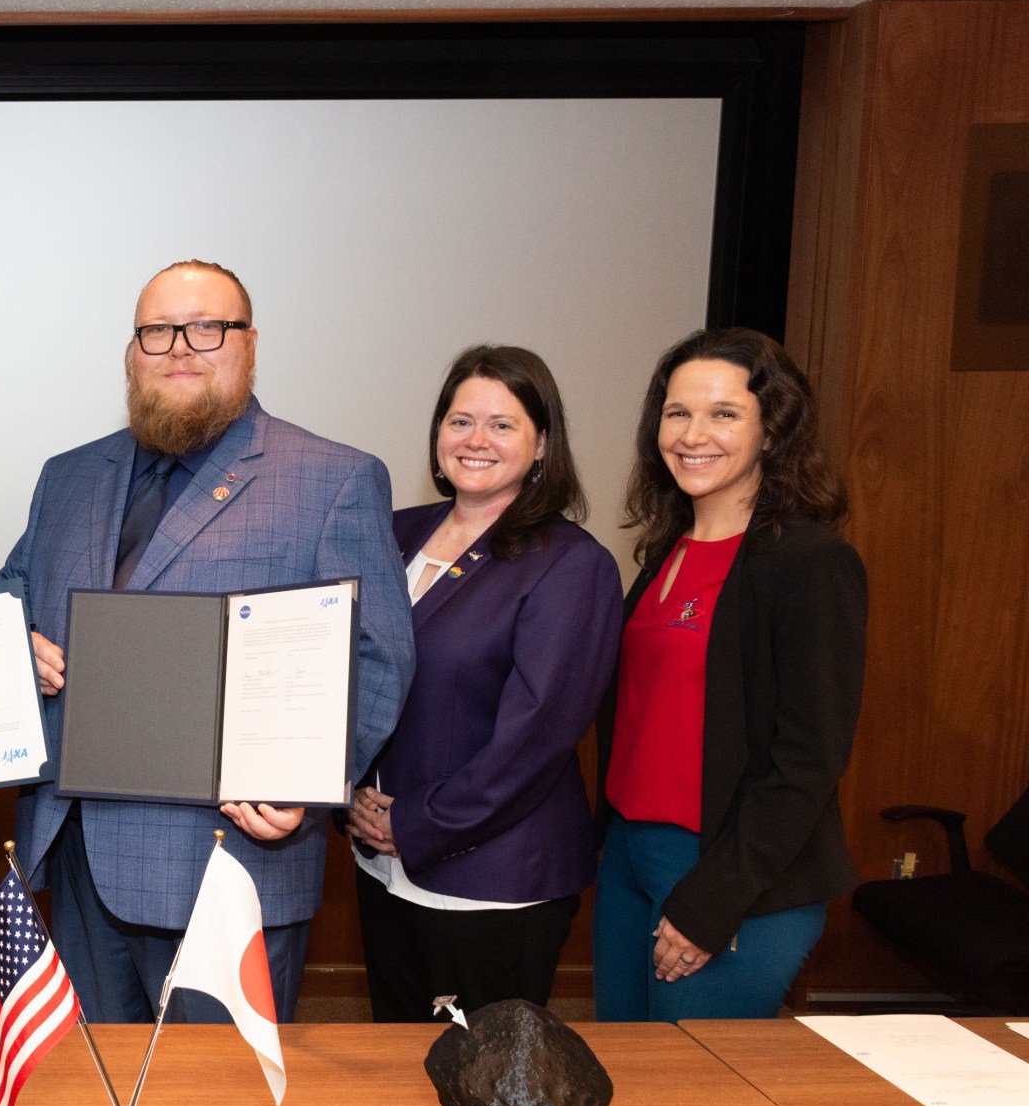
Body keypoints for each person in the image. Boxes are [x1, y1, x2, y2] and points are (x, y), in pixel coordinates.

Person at [0, 260, 414, 1023]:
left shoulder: (333, 478)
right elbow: (13, 598)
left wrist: (306, 776)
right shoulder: (68, 476)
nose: (181, 347)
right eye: (157, 331)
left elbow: (378, 657)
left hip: (226, 859)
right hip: (76, 856)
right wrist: (11, 650)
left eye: (207, 328)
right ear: (132, 354)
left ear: (249, 345)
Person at [593, 327, 866, 1021]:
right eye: (678, 412)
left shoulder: (809, 563)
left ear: (772, 431)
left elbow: (809, 757)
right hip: (630, 851)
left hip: (732, 872)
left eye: (724, 414)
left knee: (690, 1104)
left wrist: (715, 900)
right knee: (623, 1082)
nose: (693, 434)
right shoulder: (667, 551)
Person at [346, 345, 621, 1021]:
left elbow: (534, 738)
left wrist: (411, 822)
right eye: (460, 420)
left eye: (502, 424)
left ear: (542, 446)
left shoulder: (570, 565)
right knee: (397, 1066)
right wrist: (342, 796)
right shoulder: (392, 534)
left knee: (485, 1088)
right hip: (380, 863)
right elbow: (347, 677)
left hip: (492, 881)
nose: (475, 440)